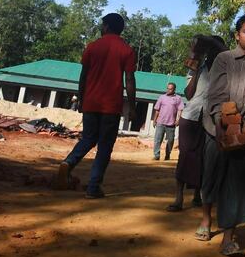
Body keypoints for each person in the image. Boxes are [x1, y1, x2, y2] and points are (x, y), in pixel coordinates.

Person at [197, 15, 245, 256]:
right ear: (237, 34)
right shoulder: (224, 59)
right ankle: (206, 219)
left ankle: (228, 237)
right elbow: (216, 93)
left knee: (235, 182)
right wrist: (220, 123)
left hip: (244, 131)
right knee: (211, 174)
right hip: (214, 127)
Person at [55, 13, 137, 199]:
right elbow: (130, 80)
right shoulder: (127, 50)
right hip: (111, 106)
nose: (101, 28)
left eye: (102, 25)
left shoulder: (92, 47)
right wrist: (132, 107)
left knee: (88, 138)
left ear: (107, 27)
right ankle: (93, 188)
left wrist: (82, 99)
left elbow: (83, 76)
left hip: (91, 103)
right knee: (105, 146)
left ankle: (68, 163)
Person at [167, 35, 227, 212]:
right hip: (191, 116)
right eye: (211, 51)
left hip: (211, 119)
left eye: (216, 51)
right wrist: (197, 73)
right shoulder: (196, 68)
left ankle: (197, 196)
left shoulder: (225, 69)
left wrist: (213, 42)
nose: (213, 54)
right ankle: (178, 198)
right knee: (185, 156)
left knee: (204, 158)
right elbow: (189, 94)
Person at [152, 83, 185, 161]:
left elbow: (180, 110)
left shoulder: (178, 98)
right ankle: (156, 155)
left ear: (174, 89)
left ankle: (167, 155)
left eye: (170, 89)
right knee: (157, 139)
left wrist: (178, 120)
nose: (168, 90)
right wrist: (154, 120)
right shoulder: (162, 97)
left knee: (170, 140)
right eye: (167, 88)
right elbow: (157, 110)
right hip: (160, 122)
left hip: (171, 123)